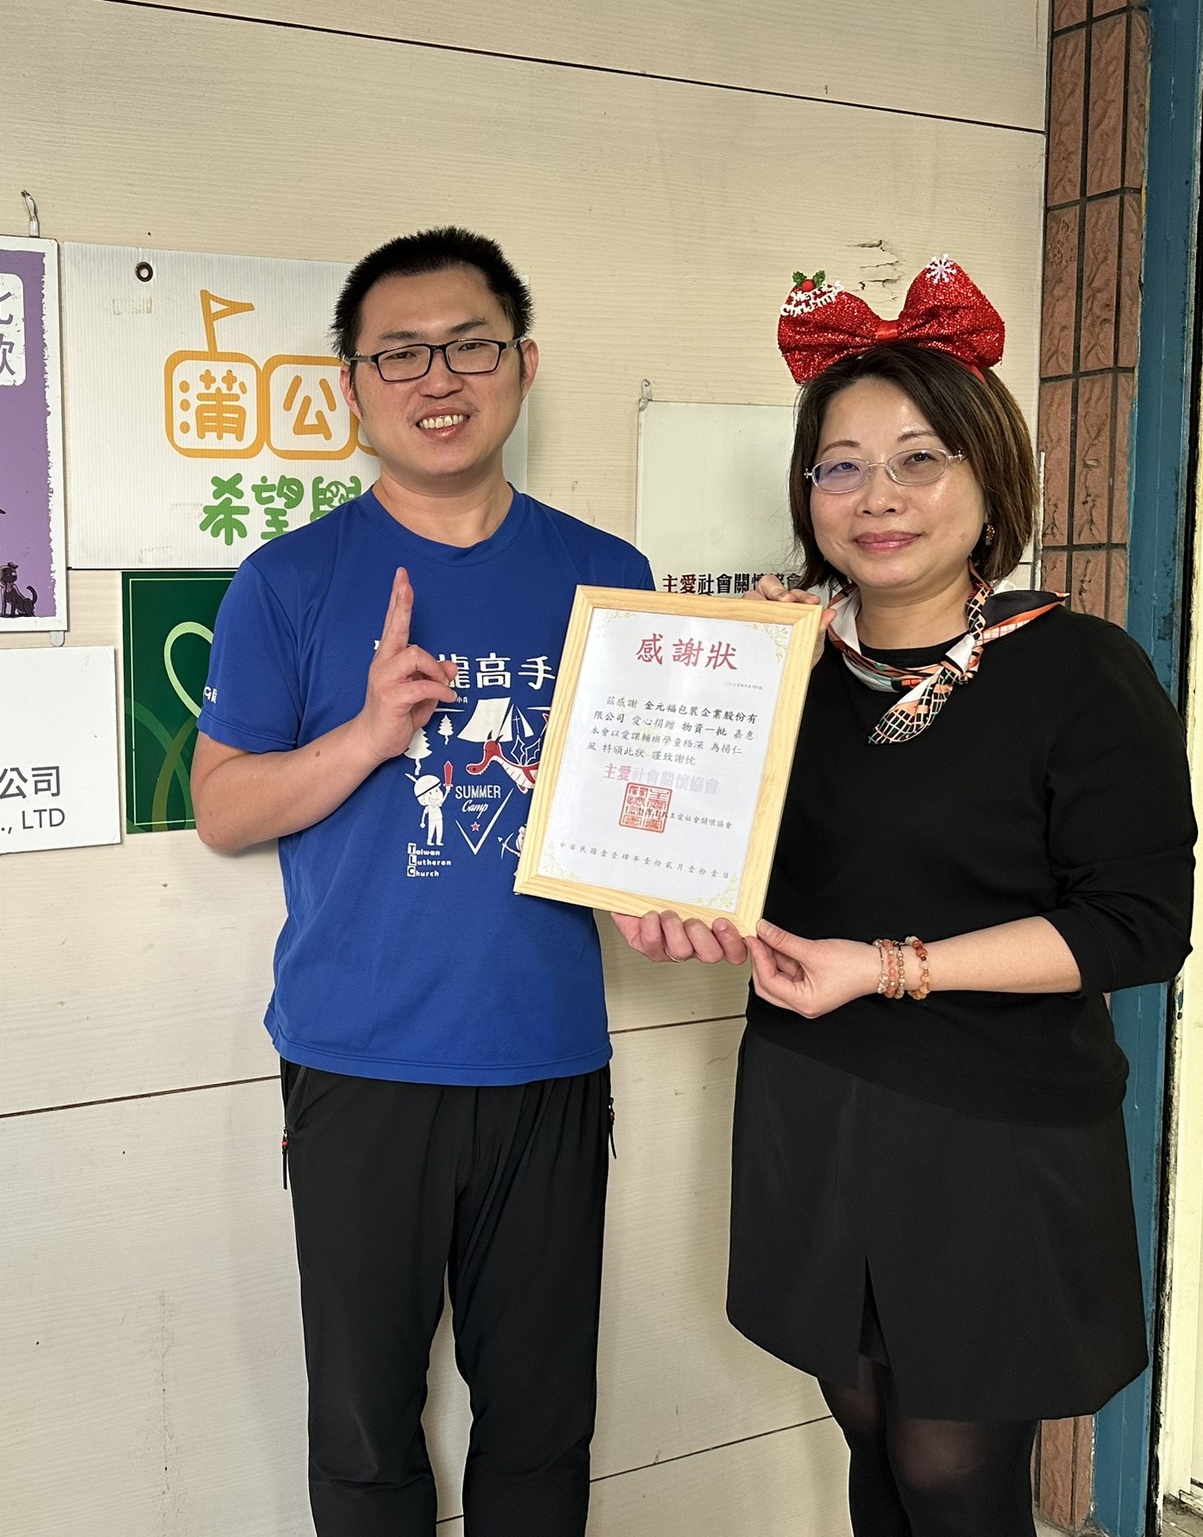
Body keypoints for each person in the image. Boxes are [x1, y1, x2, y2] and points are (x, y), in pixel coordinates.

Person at [614, 257, 1195, 1537]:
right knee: (869, 1434)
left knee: (949, 1472)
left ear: (988, 482)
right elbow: (706, 863)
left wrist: (885, 966)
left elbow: (1137, 926)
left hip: (991, 1124)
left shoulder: (1080, 670)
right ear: (804, 493)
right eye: (839, 466)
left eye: (918, 460)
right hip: (813, 1103)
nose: (875, 496)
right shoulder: (772, 668)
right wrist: (658, 896)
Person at [193, 227, 652, 1536]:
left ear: (523, 364)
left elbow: (641, 814)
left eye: (469, 345)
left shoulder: (608, 576)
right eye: (399, 353)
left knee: (543, 1424)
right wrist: (364, 737)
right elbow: (221, 808)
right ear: (353, 385)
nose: (437, 378)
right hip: (359, 1063)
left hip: (547, 1056)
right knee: (362, 1430)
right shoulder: (289, 582)